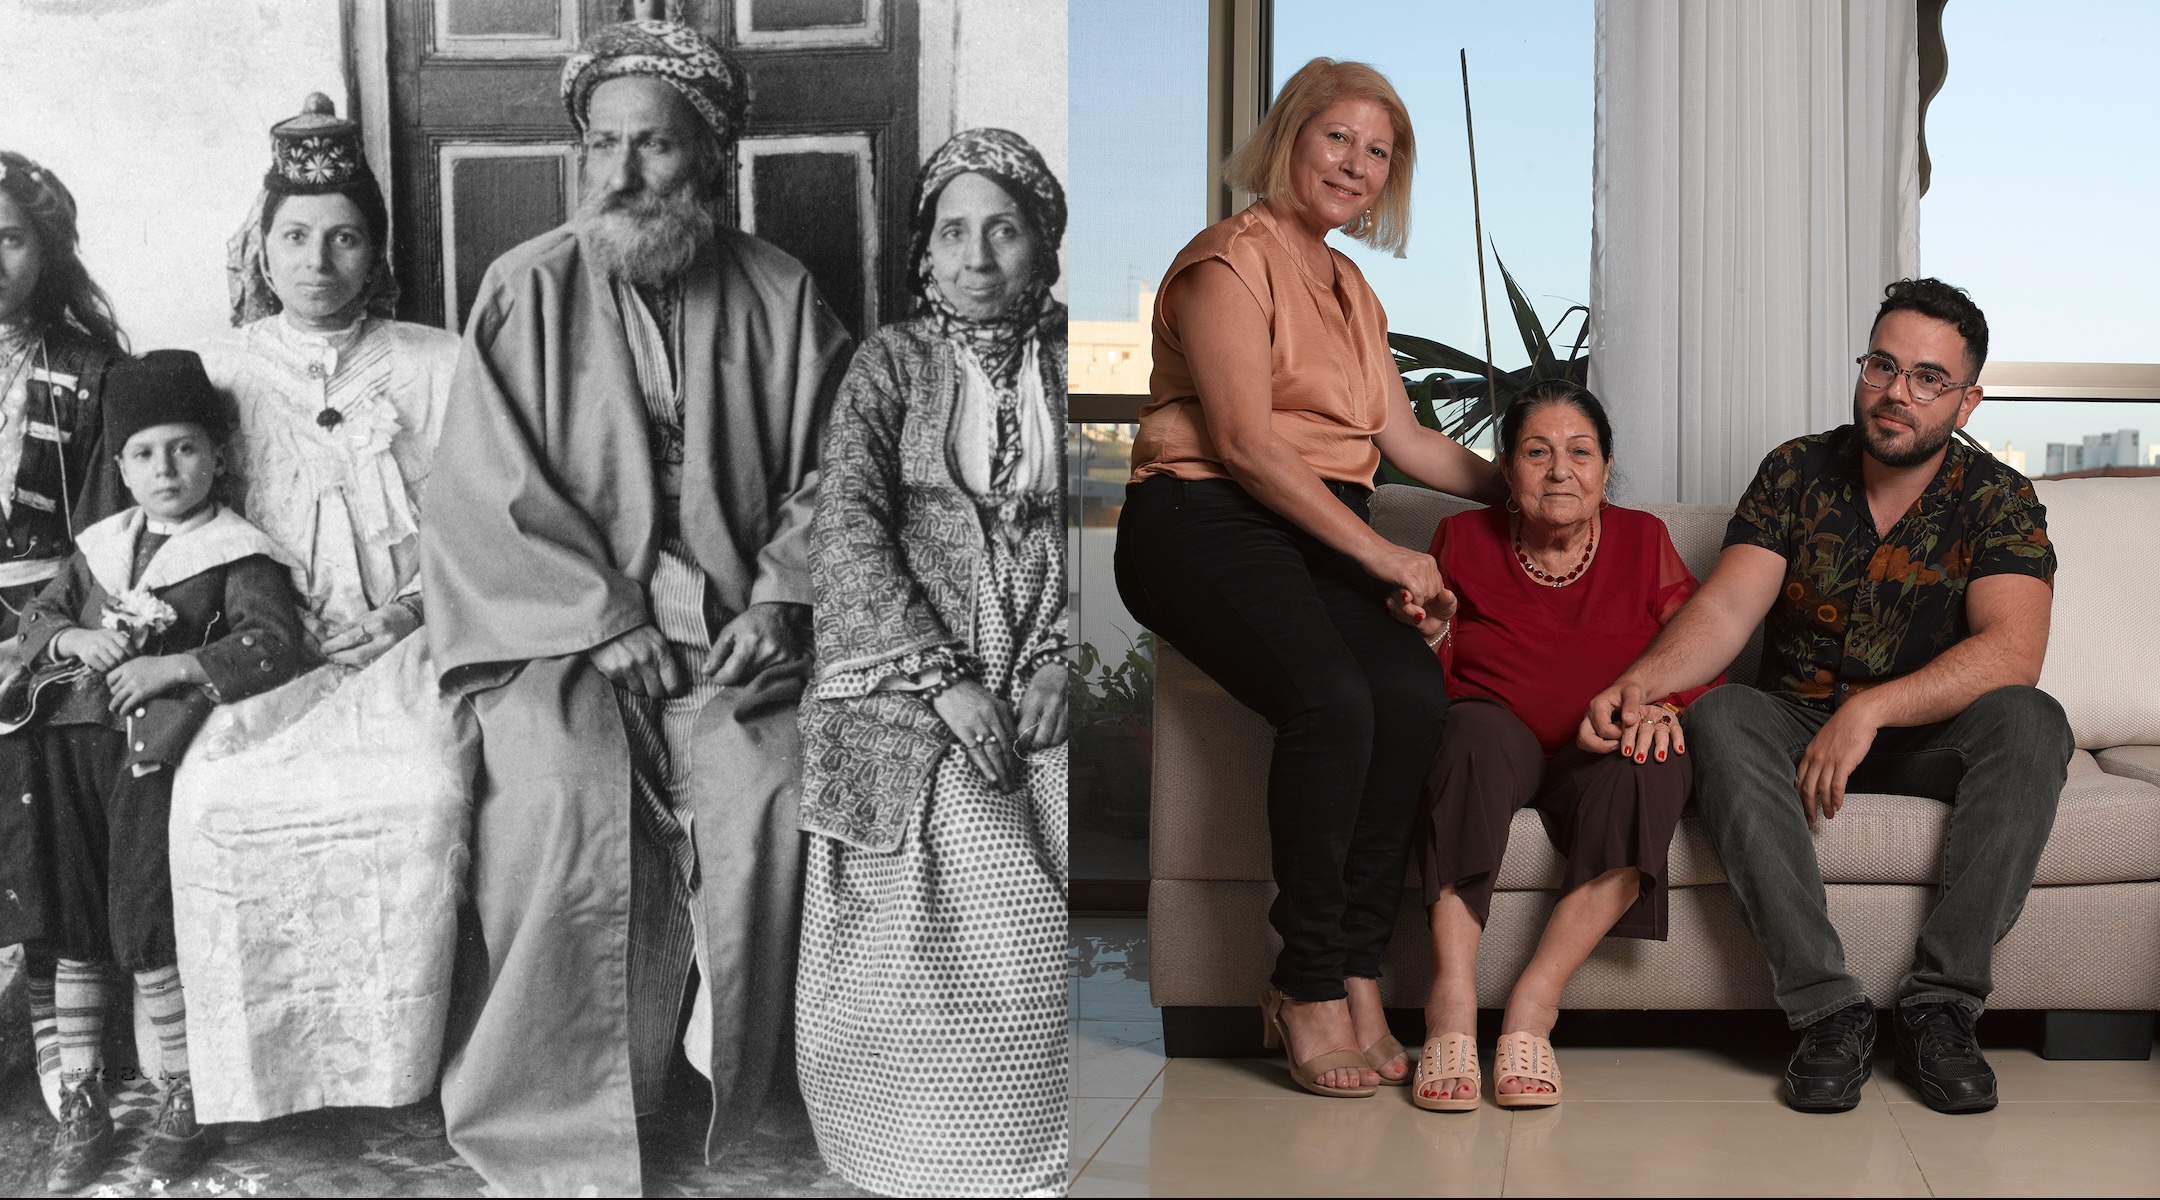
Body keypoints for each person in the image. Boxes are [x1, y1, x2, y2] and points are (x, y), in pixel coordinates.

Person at [419, 20, 852, 1194]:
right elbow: (482, 493)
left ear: (708, 160)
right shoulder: (525, 287)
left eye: (653, 149)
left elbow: (836, 477)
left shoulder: (781, 291)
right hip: (558, 636)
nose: (620, 174)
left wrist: (783, 597)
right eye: (601, 146)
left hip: (732, 635)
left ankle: (726, 1082)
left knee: (770, 785)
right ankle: (572, 1103)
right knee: (559, 796)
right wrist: (600, 618)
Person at [1584, 278, 2067, 1115]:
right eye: (1883, 364)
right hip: (1795, 721)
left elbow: (2012, 651)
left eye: (1927, 378)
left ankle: (1941, 1007)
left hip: (1931, 735)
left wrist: (1871, 708)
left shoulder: (1998, 498)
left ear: (1967, 400)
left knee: (2034, 720)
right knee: (1723, 710)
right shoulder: (1796, 470)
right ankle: (1828, 1010)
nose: (1895, 394)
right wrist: (1636, 682)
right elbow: (1728, 608)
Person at [1114, 57, 1501, 1099]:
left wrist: (1533, 488)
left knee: (1414, 698)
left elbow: (1409, 445)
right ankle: (1306, 982)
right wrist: (1383, 556)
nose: (1357, 165)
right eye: (1340, 138)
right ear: (1290, 137)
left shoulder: (1352, 288)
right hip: (1202, 515)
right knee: (1332, 699)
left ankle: (1359, 968)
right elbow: (1243, 444)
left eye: (1379, 153)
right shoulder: (1224, 263)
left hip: (1320, 526)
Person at [164, 95, 476, 1126]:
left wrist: (410, 615)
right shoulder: (223, 373)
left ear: (376, 250)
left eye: (344, 236)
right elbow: (184, 525)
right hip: (270, 658)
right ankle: (255, 1083)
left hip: (412, 647)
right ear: (261, 246)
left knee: (424, 795)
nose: (318, 260)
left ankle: (395, 1076)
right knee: (211, 801)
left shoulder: (438, 364)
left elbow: (487, 524)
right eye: (295, 236)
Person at [796, 128, 1068, 1197]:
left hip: (1049, 652)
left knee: (1073, 829)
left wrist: (1061, 661)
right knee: (971, 864)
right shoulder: (888, 366)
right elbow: (848, 532)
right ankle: (924, 1156)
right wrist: (944, 680)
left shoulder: (1081, 365)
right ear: (923, 255)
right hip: (912, 669)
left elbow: (1115, 525)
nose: (978, 255)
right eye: (953, 232)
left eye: (1004, 228)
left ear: (1042, 248)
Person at [0, 350, 308, 1190]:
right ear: (120, 464)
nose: (164, 470)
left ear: (216, 457)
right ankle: (81, 1100)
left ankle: (180, 1091)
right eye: (143, 453)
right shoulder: (99, 549)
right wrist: (72, 639)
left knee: (144, 922)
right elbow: (37, 623)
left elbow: (272, 644)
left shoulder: (235, 552)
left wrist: (174, 668)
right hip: (61, 754)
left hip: (146, 762)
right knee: (70, 926)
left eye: (183, 449)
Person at [1394, 381, 1715, 1111]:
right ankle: (1449, 1002)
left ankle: (1533, 1009)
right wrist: (1434, 635)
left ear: (1605, 470)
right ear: (1507, 472)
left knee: (1655, 756)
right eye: (1537, 453)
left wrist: (1667, 703)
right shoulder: (1462, 539)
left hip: (1598, 748)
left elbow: (1701, 645)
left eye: (1580, 452)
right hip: (1496, 732)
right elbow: (1429, 677)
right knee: (1467, 735)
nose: (1560, 470)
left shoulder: (1643, 540)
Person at [0, 151, 130, 1124]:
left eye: (5, 240)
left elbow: (105, 544)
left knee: (51, 775)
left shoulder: (86, 377)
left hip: (44, 619)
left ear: (43, 250)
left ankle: (61, 1021)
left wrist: (44, 638)